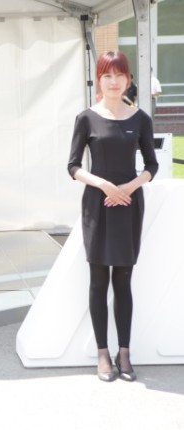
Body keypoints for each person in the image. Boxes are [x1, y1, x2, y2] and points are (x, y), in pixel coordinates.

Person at [67, 51, 159, 382]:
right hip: (97, 204)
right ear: (99, 80)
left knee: (123, 280)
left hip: (128, 204)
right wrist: (104, 185)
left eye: (120, 75)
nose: (114, 81)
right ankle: (103, 353)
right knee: (98, 280)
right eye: (107, 75)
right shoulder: (86, 118)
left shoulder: (140, 119)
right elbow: (73, 166)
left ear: (128, 80)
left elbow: (152, 165)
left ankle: (124, 352)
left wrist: (129, 187)